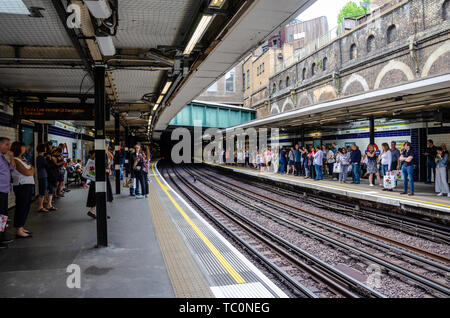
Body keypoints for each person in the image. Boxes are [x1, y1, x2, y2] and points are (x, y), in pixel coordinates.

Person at [11, 141, 35, 238]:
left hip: (27, 185)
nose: (25, 148)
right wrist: (31, 170)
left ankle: (21, 226)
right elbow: (28, 172)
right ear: (18, 148)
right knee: (21, 207)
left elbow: (33, 169)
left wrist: (31, 170)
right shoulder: (16, 160)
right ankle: (19, 229)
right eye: (23, 147)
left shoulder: (23, 158)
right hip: (22, 186)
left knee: (26, 207)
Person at [86, 150, 113, 219]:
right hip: (99, 177)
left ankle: (92, 211)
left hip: (101, 177)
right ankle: (101, 213)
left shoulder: (104, 153)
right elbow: (94, 163)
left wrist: (108, 167)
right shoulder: (100, 153)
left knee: (99, 194)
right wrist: (106, 169)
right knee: (101, 194)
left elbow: (112, 157)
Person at [0, 137, 15, 246]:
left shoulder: (3, 158)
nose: (8, 147)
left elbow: (12, 168)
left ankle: (2, 235)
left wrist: (11, 157)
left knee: (3, 214)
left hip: (4, 190)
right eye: (6, 144)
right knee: (1, 214)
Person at [36, 144, 49, 213]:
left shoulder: (39, 157)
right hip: (42, 175)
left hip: (42, 175)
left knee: (42, 190)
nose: (46, 149)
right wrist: (47, 159)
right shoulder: (41, 157)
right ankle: (40, 206)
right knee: (42, 191)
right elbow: (47, 165)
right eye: (45, 148)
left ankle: (41, 206)